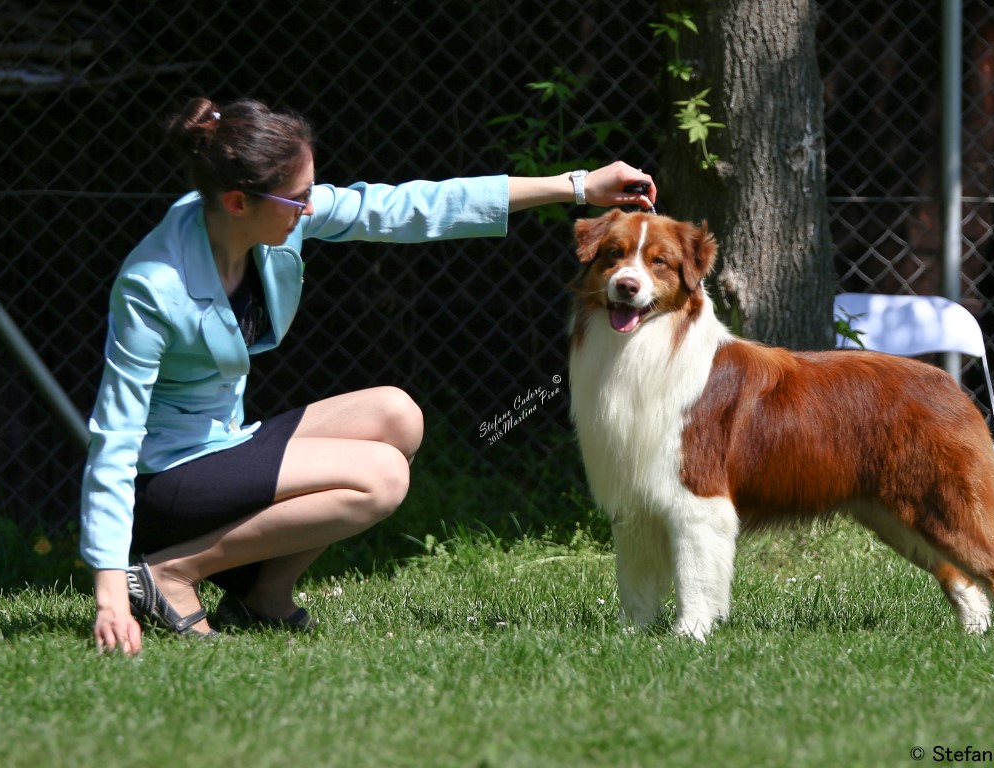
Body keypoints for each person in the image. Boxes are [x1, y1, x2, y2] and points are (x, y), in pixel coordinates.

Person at [82, 96, 658, 655]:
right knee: (380, 477)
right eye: (299, 198)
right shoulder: (153, 285)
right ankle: (169, 573)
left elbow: (408, 207)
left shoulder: (267, 220)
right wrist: (109, 591)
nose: (312, 207)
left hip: (223, 444)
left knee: (397, 414)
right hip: (166, 480)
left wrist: (578, 186)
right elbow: (114, 436)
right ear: (239, 202)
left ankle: (264, 596)